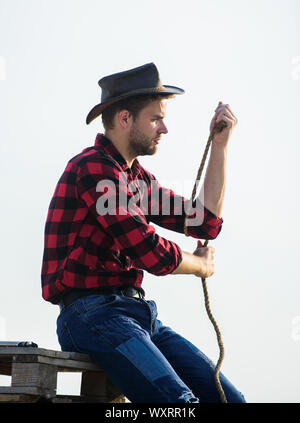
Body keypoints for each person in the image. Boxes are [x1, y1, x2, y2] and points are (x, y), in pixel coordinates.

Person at [41, 62, 245, 403]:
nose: (164, 128)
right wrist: (200, 265)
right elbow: (148, 251)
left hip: (137, 315)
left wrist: (220, 145)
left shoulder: (136, 180)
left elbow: (205, 220)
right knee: (178, 404)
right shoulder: (95, 168)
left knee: (229, 400)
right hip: (93, 315)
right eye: (156, 118)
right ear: (124, 119)